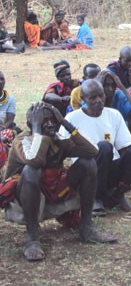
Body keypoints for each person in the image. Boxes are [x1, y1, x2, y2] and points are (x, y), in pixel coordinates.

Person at [4, 102, 116, 261]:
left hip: (52, 195)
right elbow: (34, 160)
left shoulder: (59, 140)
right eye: (44, 121)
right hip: (23, 203)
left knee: (88, 163)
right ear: (31, 124)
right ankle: (32, 238)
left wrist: (64, 123)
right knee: (31, 171)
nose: (50, 124)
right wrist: (37, 131)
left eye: (53, 120)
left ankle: (86, 228)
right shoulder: (22, 141)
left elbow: (93, 151)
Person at [60, 80, 131, 214]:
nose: (99, 100)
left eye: (101, 96)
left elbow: (124, 146)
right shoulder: (72, 118)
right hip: (88, 169)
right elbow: (62, 149)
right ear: (83, 99)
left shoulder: (113, 114)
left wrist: (130, 162)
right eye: (93, 97)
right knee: (104, 147)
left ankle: (119, 194)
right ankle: (96, 197)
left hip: (110, 166)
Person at [96, 70, 131, 154]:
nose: (110, 89)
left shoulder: (118, 94)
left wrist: (122, 87)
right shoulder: (91, 97)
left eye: (113, 85)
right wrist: (98, 88)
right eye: (106, 85)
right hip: (99, 136)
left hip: (119, 133)